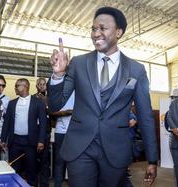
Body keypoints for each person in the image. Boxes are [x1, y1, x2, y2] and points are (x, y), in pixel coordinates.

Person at [47, 6, 158, 187]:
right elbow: (55, 106)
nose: (96, 33)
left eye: (102, 28)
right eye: (93, 29)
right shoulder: (79, 63)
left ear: (119, 32)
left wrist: (152, 159)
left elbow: (145, 117)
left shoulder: (136, 70)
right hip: (80, 148)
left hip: (116, 149)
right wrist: (58, 75)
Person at [1, 78, 47, 187]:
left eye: (17, 86)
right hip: (15, 141)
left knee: (31, 168)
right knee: (14, 168)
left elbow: (43, 123)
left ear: (25, 86)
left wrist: (41, 141)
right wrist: (3, 139)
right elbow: (6, 123)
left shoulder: (38, 103)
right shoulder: (12, 103)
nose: (15, 88)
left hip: (30, 141)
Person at [52, 92, 74, 187]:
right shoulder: (60, 91)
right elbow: (52, 112)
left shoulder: (81, 90)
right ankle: (57, 185)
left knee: (73, 163)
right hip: (60, 131)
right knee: (59, 161)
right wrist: (65, 112)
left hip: (75, 131)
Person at [33, 77, 51, 187]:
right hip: (34, 132)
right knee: (33, 159)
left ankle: (44, 184)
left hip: (45, 132)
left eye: (43, 84)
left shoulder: (50, 98)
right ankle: (33, 182)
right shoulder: (32, 98)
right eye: (39, 84)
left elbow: (53, 114)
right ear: (36, 86)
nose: (41, 86)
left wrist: (46, 103)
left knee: (44, 160)